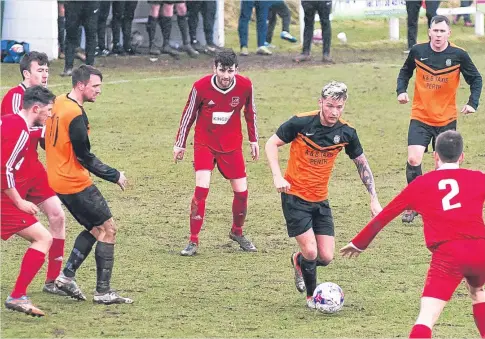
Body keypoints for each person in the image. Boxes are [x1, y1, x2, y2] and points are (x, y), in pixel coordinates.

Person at [341, 130, 485, 339]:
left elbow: (384, 216)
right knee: (479, 294)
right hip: (480, 251)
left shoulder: (421, 184)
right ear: (462, 156)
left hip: (448, 255)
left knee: (426, 318)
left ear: (435, 155)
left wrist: (359, 243)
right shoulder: (478, 178)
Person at [265, 81, 382, 308]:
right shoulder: (300, 122)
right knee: (311, 250)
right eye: (329, 106)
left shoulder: (347, 132)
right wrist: (277, 176)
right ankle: (312, 298)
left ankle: (298, 261)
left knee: (326, 257)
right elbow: (271, 143)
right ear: (320, 103)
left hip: (320, 200)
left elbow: (362, 164)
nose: (334, 112)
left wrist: (373, 197)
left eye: (339, 107)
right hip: (294, 196)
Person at [45, 65, 133, 305]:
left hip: (57, 180)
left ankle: (65, 277)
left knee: (96, 229)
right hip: (74, 182)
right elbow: (84, 156)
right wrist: (114, 175)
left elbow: (45, 141)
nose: (99, 91)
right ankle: (103, 292)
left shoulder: (59, 101)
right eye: (95, 86)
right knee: (109, 229)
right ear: (80, 85)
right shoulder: (75, 114)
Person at [396, 15, 482, 223]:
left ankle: (440, 207)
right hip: (420, 116)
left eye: (442, 31)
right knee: (413, 159)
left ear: (448, 34)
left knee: (442, 168)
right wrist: (401, 91)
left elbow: (476, 79)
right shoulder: (418, 51)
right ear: (429, 32)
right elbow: (405, 72)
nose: (438, 35)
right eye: (435, 31)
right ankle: (414, 205)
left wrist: (473, 102)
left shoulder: (459, 54)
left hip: (446, 120)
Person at [174, 48, 259, 256]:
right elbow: (188, 115)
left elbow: (250, 113)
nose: (226, 76)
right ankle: (193, 241)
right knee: (201, 189)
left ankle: (237, 232)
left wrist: (254, 140)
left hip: (231, 145)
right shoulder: (200, 87)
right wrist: (180, 143)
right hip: (205, 143)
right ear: (215, 68)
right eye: (222, 70)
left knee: (242, 192)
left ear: (236, 70)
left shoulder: (245, 85)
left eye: (230, 71)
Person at [1, 52, 67, 297]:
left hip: (34, 169)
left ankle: (53, 280)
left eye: (47, 70)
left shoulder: (45, 100)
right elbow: (19, 133)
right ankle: (18, 295)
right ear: (26, 73)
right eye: (40, 70)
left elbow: (42, 139)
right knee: (25, 228)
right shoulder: (14, 97)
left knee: (58, 215)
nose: (45, 74)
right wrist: (52, 134)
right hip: (13, 172)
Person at [1, 86, 57, 317]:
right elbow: (4, 170)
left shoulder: (7, 120)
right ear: (36, 108)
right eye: (49, 110)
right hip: (3, 199)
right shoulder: (20, 131)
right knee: (43, 238)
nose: (50, 115)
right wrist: (20, 202)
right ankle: (17, 296)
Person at [62, 1, 99, 76]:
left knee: (91, 34)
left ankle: (89, 67)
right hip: (73, 4)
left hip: (90, 4)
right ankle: (68, 67)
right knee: (71, 34)